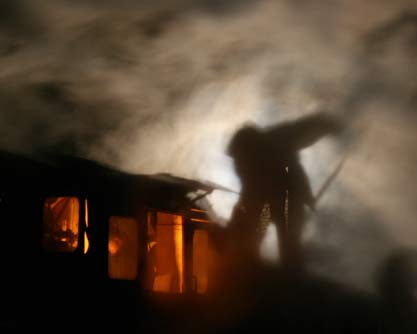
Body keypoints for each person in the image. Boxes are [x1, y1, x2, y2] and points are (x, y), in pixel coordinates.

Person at [226, 111, 343, 270]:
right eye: (237, 159)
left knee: (289, 244)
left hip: (289, 202)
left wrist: (331, 126)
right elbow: (247, 200)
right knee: (253, 237)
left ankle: (291, 274)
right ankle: (250, 268)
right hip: (266, 205)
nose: (238, 164)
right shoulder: (247, 164)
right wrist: (233, 228)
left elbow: (307, 128)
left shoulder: (279, 139)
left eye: (239, 158)